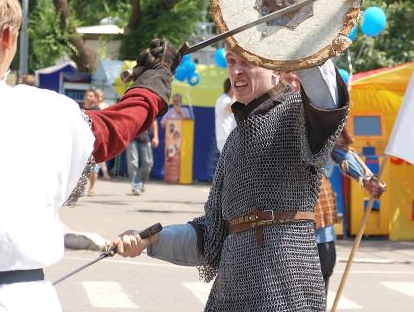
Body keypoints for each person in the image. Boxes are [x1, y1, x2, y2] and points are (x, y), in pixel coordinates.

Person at [0, 0, 179, 312]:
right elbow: (116, 128)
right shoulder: (45, 111)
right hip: (15, 299)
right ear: (7, 37)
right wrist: (152, 86)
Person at [114, 48, 350, 312]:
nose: (237, 71)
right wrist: (151, 240)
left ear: (275, 70)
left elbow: (327, 101)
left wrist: (297, 39)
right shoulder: (234, 143)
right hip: (231, 290)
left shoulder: (298, 116)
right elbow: (211, 235)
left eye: (247, 63)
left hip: (288, 288)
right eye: (231, 62)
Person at [282, 72, 387, 295]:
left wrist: (366, 179)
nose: (292, 82)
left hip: (317, 204)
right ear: (275, 76)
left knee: (323, 269)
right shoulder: (262, 111)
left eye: (297, 77)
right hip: (277, 210)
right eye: (287, 77)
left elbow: (340, 150)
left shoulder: (319, 112)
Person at [126, 120, 159, 195]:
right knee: (132, 163)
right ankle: (136, 186)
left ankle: (141, 182)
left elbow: (154, 121)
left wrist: (156, 137)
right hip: (131, 138)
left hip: (145, 138)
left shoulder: (147, 108)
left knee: (148, 163)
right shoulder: (131, 108)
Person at [94, 88, 112, 180]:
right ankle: (103, 173)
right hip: (94, 132)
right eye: (97, 96)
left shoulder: (105, 106)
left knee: (101, 154)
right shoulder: (92, 106)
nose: (99, 98)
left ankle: (104, 173)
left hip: (102, 132)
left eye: (101, 97)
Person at [214, 78, 236, 152]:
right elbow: (230, 108)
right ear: (231, 87)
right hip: (225, 137)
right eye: (235, 86)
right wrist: (235, 94)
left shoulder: (227, 98)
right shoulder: (224, 99)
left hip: (227, 138)